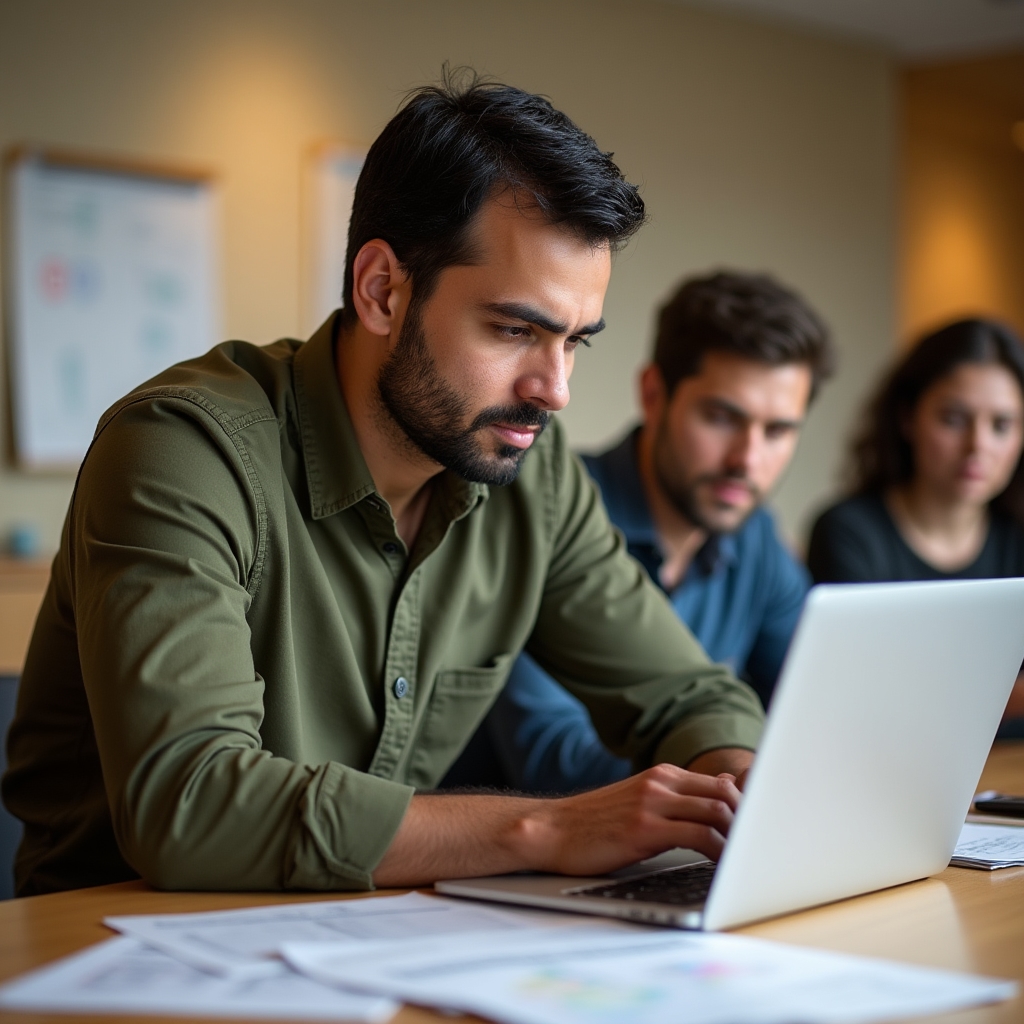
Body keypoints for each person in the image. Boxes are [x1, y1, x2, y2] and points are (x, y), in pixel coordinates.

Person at [2, 74, 766, 897]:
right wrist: (549, 826)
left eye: (576, 341)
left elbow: (685, 694)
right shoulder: (181, 450)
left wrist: (741, 786)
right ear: (382, 291)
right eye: (515, 329)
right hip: (121, 957)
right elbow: (191, 803)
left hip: (364, 943)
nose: (556, 389)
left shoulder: (530, 472)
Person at [445, 272, 834, 793]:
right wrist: (725, 772)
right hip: (513, 860)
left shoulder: (756, 538)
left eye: (778, 431)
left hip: (679, 849)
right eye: (721, 417)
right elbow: (554, 761)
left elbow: (818, 714)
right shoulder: (546, 511)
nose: (748, 460)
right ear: (653, 394)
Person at [807, 318, 1024, 733]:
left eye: (1001, 425)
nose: (978, 446)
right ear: (908, 418)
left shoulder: (1017, 536)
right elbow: (866, 695)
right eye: (954, 419)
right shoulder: (848, 532)